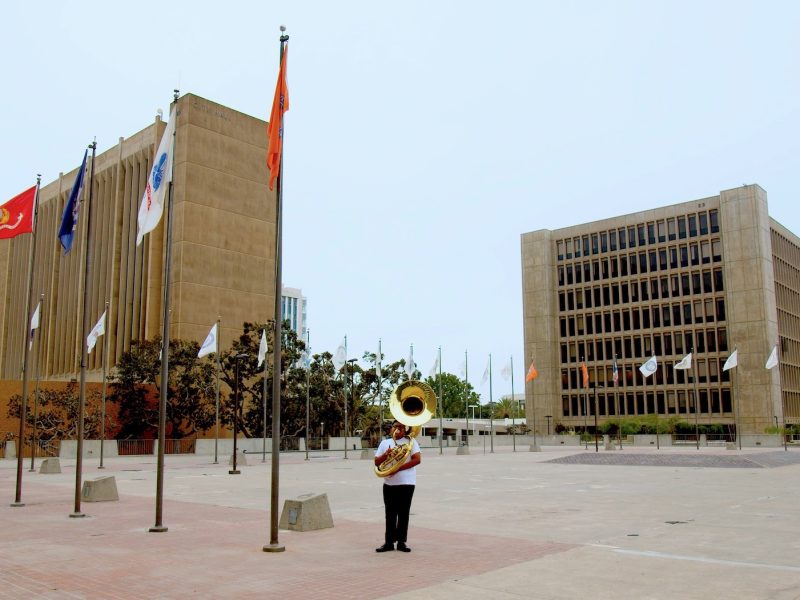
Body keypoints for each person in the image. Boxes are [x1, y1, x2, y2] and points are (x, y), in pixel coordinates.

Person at [374, 420, 421, 553]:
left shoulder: (411, 442)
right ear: (391, 429)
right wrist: (386, 455)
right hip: (389, 483)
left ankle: (401, 542)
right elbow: (376, 462)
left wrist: (398, 468)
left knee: (404, 513)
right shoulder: (385, 443)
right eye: (395, 426)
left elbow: (417, 459)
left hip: (407, 483)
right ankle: (388, 542)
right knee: (390, 513)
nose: (398, 429)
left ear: (405, 429)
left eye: (401, 426)